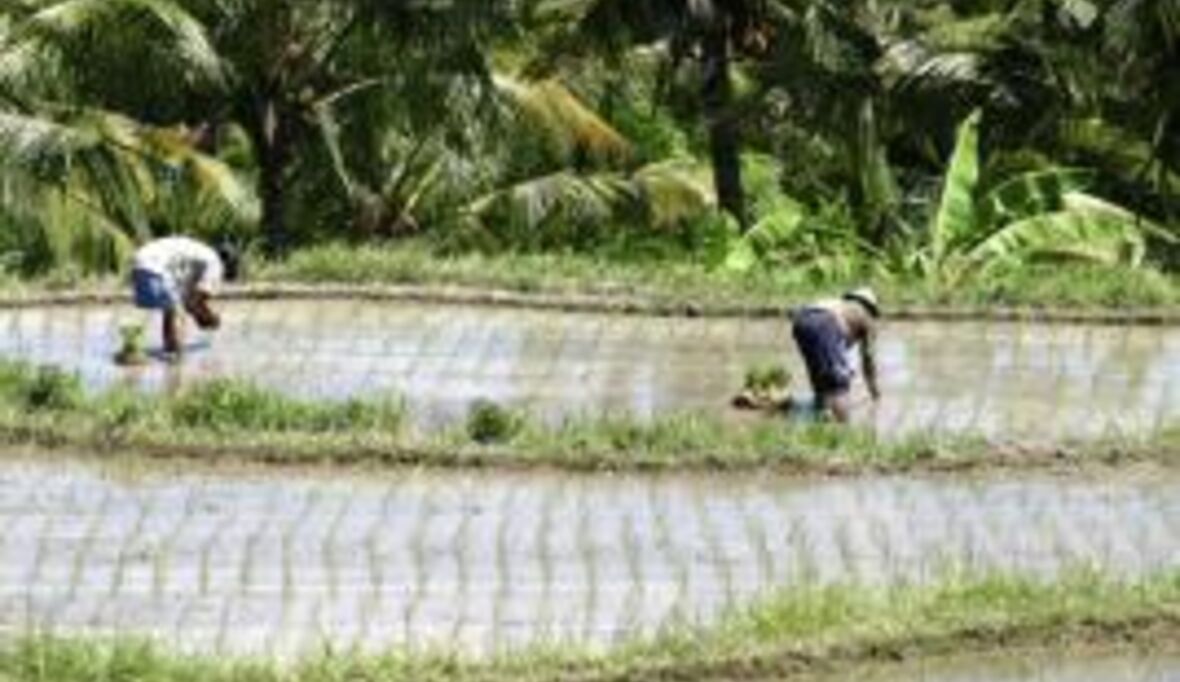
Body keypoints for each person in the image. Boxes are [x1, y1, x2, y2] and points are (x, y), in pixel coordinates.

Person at [130, 236, 240, 358]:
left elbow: (189, 302)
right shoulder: (214, 261)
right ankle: (175, 358)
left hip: (139, 264)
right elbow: (194, 302)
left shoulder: (197, 256)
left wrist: (202, 316)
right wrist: (210, 318)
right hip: (154, 266)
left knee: (171, 308)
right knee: (177, 311)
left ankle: (170, 353)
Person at [790, 287, 881, 422]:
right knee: (838, 385)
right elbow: (868, 356)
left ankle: (821, 421)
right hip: (824, 323)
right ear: (871, 308)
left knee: (821, 380)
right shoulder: (866, 317)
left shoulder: (838, 304)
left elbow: (839, 345)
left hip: (800, 321)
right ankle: (842, 429)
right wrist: (873, 389)